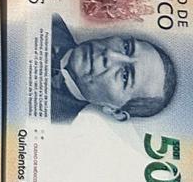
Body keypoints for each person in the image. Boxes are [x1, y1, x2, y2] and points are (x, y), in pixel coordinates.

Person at [49, 15, 177, 123]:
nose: (110, 54)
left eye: (125, 76)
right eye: (126, 47)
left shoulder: (53, 124)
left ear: (115, 111)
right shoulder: (52, 18)